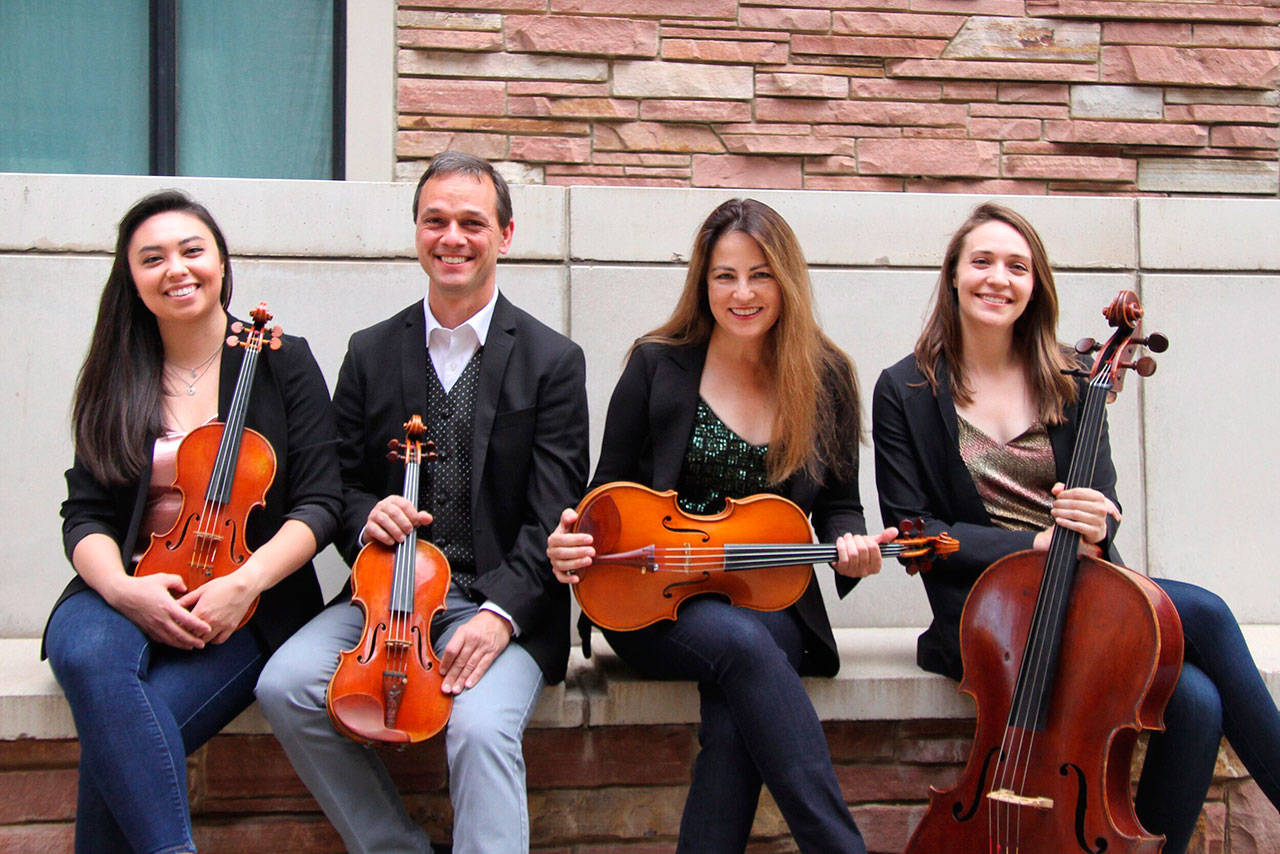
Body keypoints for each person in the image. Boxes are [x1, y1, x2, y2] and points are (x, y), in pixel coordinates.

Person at [872, 201, 1280, 854]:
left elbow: (1104, 504)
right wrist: (1030, 544)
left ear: (1035, 286)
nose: (997, 278)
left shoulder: (1075, 377)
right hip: (987, 618)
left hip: (1081, 594)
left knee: (1197, 703)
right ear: (952, 274)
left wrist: (1094, 522)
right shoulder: (905, 389)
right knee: (1205, 615)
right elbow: (914, 531)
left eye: (1017, 266)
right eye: (981, 261)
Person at [255, 151, 589, 854]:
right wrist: (362, 517)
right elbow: (336, 483)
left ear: (506, 234)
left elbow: (553, 511)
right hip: (387, 602)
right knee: (286, 685)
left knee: (478, 728)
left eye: (472, 222)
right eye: (435, 221)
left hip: (502, 605)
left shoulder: (552, 360)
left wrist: (499, 617)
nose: (453, 238)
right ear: (416, 232)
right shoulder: (372, 350)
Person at [547, 198, 895, 854]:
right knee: (744, 650)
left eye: (760, 274)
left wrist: (853, 544)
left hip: (769, 598)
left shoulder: (827, 379)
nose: (742, 292)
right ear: (702, 283)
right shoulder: (657, 366)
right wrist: (575, 535)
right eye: (724, 275)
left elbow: (841, 504)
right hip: (653, 601)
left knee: (739, 705)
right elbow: (605, 492)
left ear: (785, 280)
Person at [42, 190, 343, 853]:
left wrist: (248, 583)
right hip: (124, 584)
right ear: (131, 277)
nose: (175, 268)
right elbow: (84, 513)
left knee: (119, 740)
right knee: (92, 657)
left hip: (244, 604)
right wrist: (123, 590)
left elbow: (321, 502)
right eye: (152, 258)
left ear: (220, 262)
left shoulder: (282, 361)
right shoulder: (117, 372)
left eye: (191, 251)